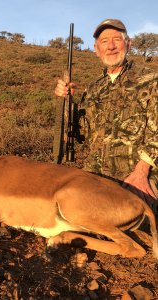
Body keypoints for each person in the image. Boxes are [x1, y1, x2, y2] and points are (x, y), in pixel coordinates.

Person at [54, 19, 158, 212]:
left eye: (117, 39)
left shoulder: (151, 81)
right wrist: (67, 102)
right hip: (96, 175)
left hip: (140, 175)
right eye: (104, 42)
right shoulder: (94, 88)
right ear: (96, 49)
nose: (110, 47)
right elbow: (81, 134)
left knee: (137, 222)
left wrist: (141, 172)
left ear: (128, 43)